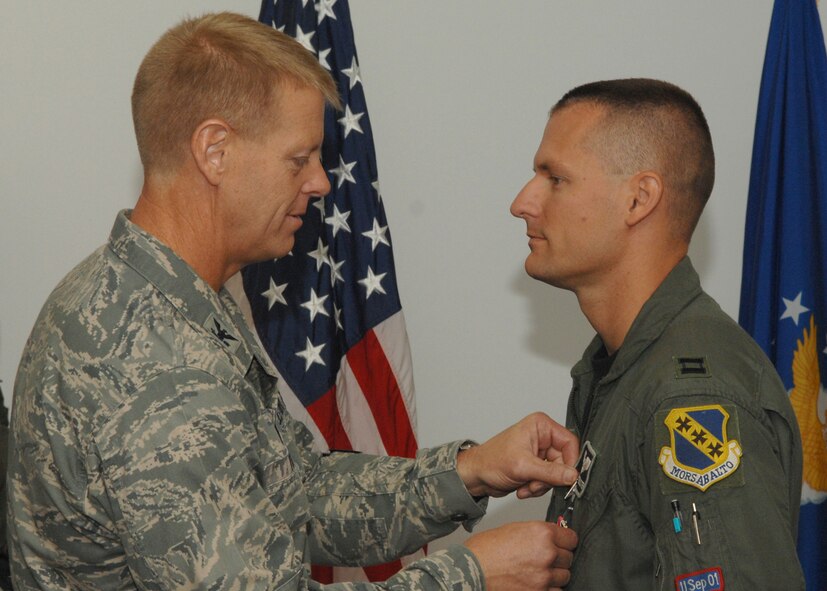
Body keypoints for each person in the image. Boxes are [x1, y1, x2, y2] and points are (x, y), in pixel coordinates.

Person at [7, 12, 580, 591]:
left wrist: (468, 473)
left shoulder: (163, 299)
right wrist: (474, 576)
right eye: (298, 157)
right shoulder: (154, 362)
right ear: (214, 150)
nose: (321, 182)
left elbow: (292, 494)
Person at [511, 78, 805, 590]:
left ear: (639, 199)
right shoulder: (620, 365)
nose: (523, 202)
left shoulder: (691, 398)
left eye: (555, 178)